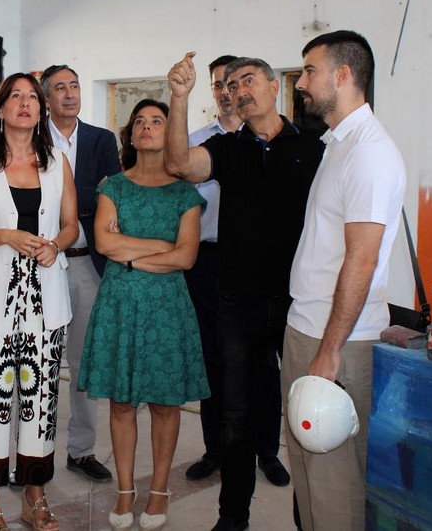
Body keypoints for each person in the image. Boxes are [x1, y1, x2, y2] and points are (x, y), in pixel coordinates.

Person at [166, 54, 324, 531]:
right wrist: (179, 96)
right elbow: (178, 163)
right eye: (231, 86)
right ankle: (233, 517)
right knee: (235, 412)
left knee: (305, 407)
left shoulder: (314, 145)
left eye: (248, 80)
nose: (238, 91)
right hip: (239, 299)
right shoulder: (228, 148)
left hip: (300, 298)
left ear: (275, 86)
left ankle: (308, 514)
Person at [283, 31, 405, 531]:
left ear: (343, 75)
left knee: (334, 487)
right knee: (309, 476)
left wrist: (330, 351)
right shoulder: (337, 144)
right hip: (307, 327)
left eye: (310, 71)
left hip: (338, 341)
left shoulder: (369, 153)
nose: (301, 83)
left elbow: (362, 259)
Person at [0, 73, 78, 531]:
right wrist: (5, 235)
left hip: (45, 301)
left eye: (32, 97)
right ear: (1, 109)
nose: (25, 103)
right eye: (15, 97)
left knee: (40, 402)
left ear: (41, 110)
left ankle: (34, 494)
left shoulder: (57, 161)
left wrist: (56, 245)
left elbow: (71, 224)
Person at [79, 99, 208, 531]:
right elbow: (105, 245)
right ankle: (124, 490)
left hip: (167, 307)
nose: (147, 127)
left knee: (165, 403)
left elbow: (187, 257)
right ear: (130, 135)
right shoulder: (113, 188)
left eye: (157, 121)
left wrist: (131, 254)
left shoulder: (185, 193)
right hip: (120, 303)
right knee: (121, 403)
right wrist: (161, 247)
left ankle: (158, 490)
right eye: (140, 121)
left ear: (171, 133)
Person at [183, 56, 290, 488]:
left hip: (260, 265)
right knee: (214, 359)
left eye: (237, 83)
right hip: (208, 261)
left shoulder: (272, 141)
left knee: (265, 363)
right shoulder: (197, 143)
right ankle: (215, 450)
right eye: (219, 85)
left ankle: (268, 450)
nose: (228, 92)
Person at [41, 64, 121, 484]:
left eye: (74, 85)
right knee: (37, 360)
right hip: (41, 262)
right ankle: (30, 451)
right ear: (47, 98)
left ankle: (81, 450)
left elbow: (113, 192)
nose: (70, 93)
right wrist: (88, 194)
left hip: (88, 262)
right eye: (60, 88)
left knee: (84, 362)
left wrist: (64, 195)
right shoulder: (31, 138)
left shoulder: (101, 139)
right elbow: (29, 197)